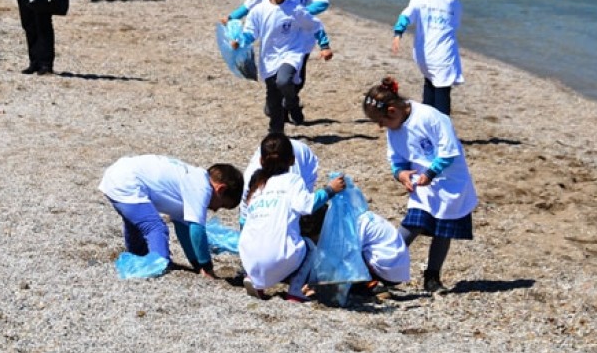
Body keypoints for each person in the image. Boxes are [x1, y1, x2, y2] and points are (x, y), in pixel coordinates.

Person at [361, 76, 477, 294]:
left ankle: (432, 277)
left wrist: (431, 173)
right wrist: (400, 173)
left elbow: (449, 150)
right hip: (421, 185)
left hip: (450, 183)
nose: (380, 127)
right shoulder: (394, 130)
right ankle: (378, 269)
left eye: (382, 121)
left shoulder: (430, 117)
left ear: (393, 111)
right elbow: (396, 159)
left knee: (443, 230)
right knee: (413, 224)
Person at [225, 0, 330, 120]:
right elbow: (249, 5)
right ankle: (277, 106)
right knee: (274, 83)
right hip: (273, 43)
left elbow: (323, 2)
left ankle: (290, 104)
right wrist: (231, 17)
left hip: (300, 43)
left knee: (296, 80)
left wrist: (299, 13)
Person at [238, 133, 346, 300]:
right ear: (292, 160)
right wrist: (330, 190)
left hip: (248, 256)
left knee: (259, 235)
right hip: (278, 257)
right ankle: (295, 291)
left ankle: (253, 278)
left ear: (261, 161)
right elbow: (307, 205)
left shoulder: (256, 184)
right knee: (309, 246)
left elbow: (244, 221)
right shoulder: (293, 181)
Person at [99, 155, 244, 277]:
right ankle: (158, 264)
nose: (216, 209)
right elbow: (197, 231)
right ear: (221, 189)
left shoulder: (191, 181)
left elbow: (184, 230)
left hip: (118, 175)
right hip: (126, 182)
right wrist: (207, 267)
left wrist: (196, 265)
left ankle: (139, 255)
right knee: (155, 228)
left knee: (137, 222)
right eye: (221, 205)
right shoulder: (202, 187)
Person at [391, 0, 463, 116]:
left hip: (424, 55)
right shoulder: (453, 1)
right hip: (443, 56)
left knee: (430, 84)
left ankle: (426, 125)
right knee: (442, 94)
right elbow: (455, 25)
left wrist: (398, 34)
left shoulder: (418, 0)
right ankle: (441, 130)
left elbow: (405, 17)